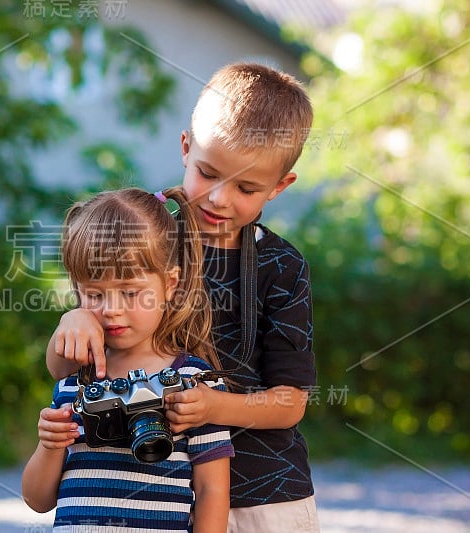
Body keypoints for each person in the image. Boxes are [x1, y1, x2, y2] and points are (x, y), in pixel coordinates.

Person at [45, 63, 320, 532]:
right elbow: (64, 371)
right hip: (156, 489)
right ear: (186, 147)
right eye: (207, 173)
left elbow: (291, 402)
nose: (219, 198)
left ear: (279, 187)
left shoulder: (282, 266)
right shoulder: (143, 237)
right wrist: (74, 320)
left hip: (264, 492)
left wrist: (215, 408)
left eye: (246, 188)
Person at [22, 187, 235, 533]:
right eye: (93, 294)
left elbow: (212, 489)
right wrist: (49, 445)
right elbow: (38, 500)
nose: (111, 309)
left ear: (170, 284)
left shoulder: (193, 381)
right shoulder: (77, 381)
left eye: (130, 292)